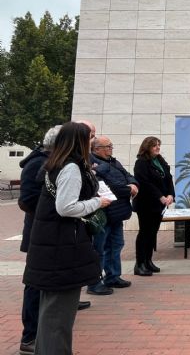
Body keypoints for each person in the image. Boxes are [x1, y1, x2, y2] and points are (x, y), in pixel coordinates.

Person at [23, 122, 112, 355]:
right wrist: (97, 202)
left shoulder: (54, 164)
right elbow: (66, 207)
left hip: (51, 245)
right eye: (89, 140)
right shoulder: (71, 167)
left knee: (50, 313)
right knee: (58, 317)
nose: (91, 144)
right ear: (78, 142)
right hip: (61, 247)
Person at [17, 126, 67, 355]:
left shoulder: (58, 163)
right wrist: (52, 212)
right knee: (36, 285)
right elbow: (27, 200)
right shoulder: (37, 164)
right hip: (40, 234)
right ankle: (30, 336)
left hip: (53, 235)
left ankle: (44, 330)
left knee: (51, 282)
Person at [87, 136, 138, 294]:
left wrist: (133, 184)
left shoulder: (113, 161)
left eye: (111, 146)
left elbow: (129, 175)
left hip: (118, 212)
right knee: (99, 248)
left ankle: (113, 276)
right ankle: (94, 282)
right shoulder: (92, 163)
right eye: (107, 146)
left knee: (116, 245)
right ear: (96, 149)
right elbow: (108, 186)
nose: (110, 149)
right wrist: (129, 189)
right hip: (104, 212)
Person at [133, 136, 175, 276]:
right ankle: (139, 264)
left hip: (159, 204)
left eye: (158, 145)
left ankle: (148, 261)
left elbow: (168, 178)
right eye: (154, 145)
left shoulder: (159, 160)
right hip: (146, 203)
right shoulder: (141, 162)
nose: (157, 147)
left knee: (152, 233)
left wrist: (170, 194)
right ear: (147, 147)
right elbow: (145, 183)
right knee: (145, 232)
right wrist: (160, 196)